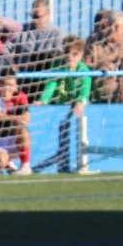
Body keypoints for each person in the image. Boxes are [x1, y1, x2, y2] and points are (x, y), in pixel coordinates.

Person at [40, 35, 95, 173]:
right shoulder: (58, 65)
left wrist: (81, 101)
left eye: (74, 54)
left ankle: (80, 162)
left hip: (76, 106)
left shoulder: (84, 71)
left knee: (78, 130)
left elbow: (85, 89)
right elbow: (52, 83)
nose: (70, 57)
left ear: (81, 54)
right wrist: (44, 100)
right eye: (67, 53)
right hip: (61, 105)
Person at [12, 0, 64, 70]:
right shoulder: (22, 30)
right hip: (22, 74)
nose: (35, 20)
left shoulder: (56, 33)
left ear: (48, 15)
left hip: (46, 75)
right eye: (33, 16)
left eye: (38, 17)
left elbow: (60, 57)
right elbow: (8, 50)